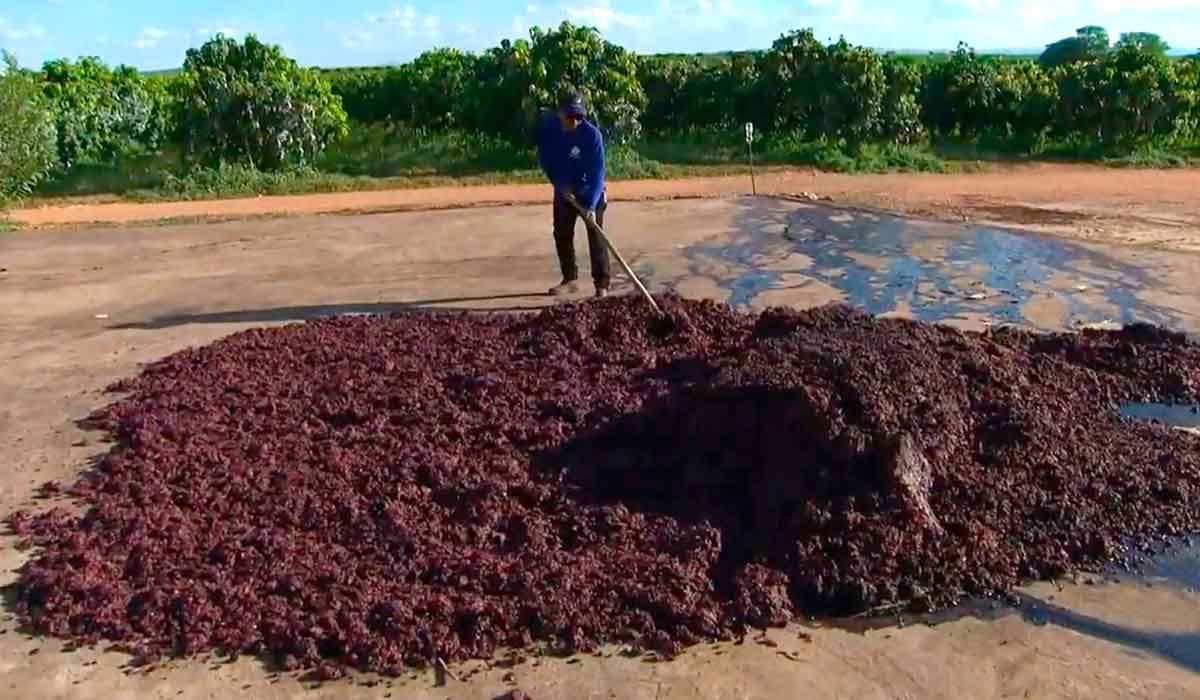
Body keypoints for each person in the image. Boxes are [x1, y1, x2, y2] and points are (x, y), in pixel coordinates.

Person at [535, 92, 610, 298]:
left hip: (589, 191)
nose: (574, 121)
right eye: (570, 116)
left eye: (578, 117)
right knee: (562, 234)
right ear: (560, 114)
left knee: (596, 235)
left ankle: (601, 284)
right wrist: (560, 185)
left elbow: (597, 173)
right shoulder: (551, 131)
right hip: (564, 191)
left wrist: (592, 206)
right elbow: (545, 160)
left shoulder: (592, 135)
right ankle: (570, 279)